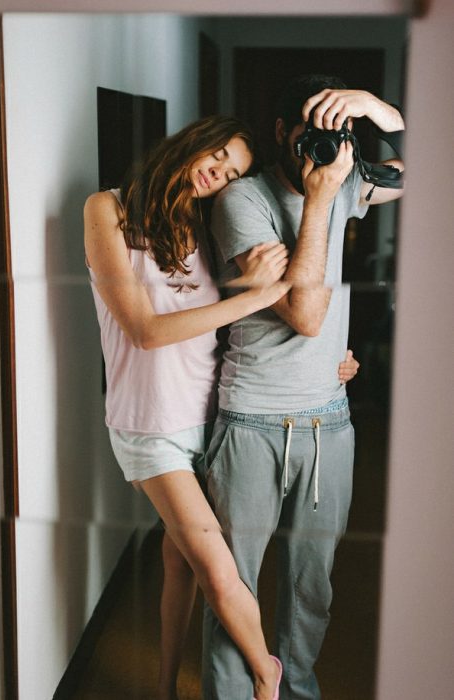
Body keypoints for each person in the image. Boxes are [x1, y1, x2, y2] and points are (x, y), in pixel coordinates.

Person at [84, 113, 360, 700]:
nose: (218, 174)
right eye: (217, 157)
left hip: (212, 413)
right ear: (192, 143)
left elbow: (235, 317)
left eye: (232, 170)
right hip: (148, 424)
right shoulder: (106, 210)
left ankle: (163, 685)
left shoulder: (207, 220)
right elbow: (146, 331)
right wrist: (259, 294)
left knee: (182, 561)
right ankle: (268, 677)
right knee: (216, 566)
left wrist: (331, 353)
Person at [201, 76, 404, 700]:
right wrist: (321, 202)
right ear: (284, 133)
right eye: (313, 131)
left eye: (338, 132)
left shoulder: (349, 181)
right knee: (234, 587)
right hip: (252, 423)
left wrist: (380, 111)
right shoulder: (243, 200)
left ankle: (297, 693)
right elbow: (306, 316)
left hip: (329, 422)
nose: (324, 144)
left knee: (309, 589)